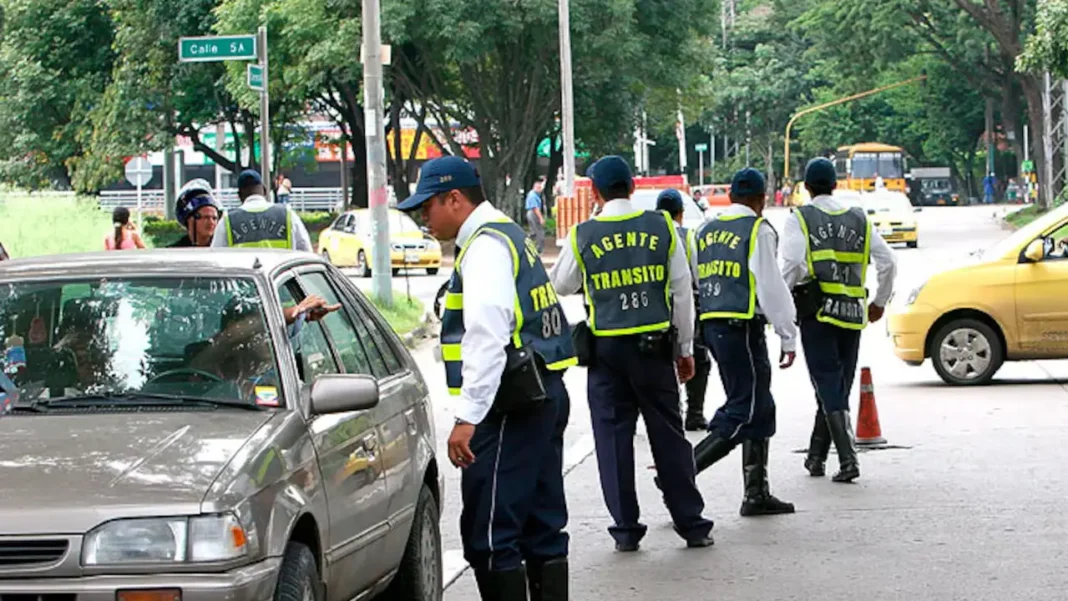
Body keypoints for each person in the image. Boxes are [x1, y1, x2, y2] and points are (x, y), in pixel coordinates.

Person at [397, 156, 576, 600]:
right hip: (542, 393)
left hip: (510, 404)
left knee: (491, 535)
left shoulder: (485, 247)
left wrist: (468, 417)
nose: (424, 218)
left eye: (427, 206)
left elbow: (486, 335)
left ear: (454, 199)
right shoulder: (507, 233)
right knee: (542, 525)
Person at [550, 155, 714, 552]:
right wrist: (685, 348)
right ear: (633, 187)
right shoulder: (662, 227)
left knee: (612, 441)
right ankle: (692, 525)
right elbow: (681, 292)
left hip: (606, 352)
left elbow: (562, 283)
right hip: (655, 350)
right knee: (669, 438)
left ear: (595, 192)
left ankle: (626, 530)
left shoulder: (583, 233)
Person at [678, 168, 798, 517]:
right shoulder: (758, 230)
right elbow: (770, 286)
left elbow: (695, 278)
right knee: (743, 409)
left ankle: (756, 493)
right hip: (742, 327)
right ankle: (679, 475)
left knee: (761, 406)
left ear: (730, 196)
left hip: (713, 324)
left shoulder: (704, 231)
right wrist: (788, 334)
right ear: (761, 199)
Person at [782, 158, 897, 483]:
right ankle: (816, 457)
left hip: (817, 314)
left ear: (807, 187)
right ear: (835, 184)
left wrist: (781, 303)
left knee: (827, 385)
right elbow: (888, 262)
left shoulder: (800, 218)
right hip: (851, 315)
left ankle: (848, 460)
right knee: (837, 387)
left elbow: (792, 264)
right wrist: (879, 302)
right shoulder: (858, 218)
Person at [655, 189, 708, 431]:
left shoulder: (651, 236)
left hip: (654, 308)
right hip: (684, 306)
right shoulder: (687, 237)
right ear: (681, 213)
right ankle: (694, 413)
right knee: (697, 358)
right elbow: (698, 276)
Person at [212, 169, 313, 250]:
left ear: (239, 195)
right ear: (264, 190)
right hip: (283, 270)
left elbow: (216, 258)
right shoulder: (287, 214)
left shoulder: (228, 220)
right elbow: (306, 250)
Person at [172, 179, 223, 248]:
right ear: (189, 220)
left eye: (214, 218)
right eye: (206, 217)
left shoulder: (223, 248)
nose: (211, 222)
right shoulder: (173, 251)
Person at [526, 176, 547, 254]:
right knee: (539, 232)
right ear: (535, 187)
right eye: (539, 187)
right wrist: (541, 218)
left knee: (533, 232)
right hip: (533, 213)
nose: (540, 189)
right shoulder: (533, 195)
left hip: (531, 213)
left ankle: (528, 245)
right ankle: (539, 249)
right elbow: (535, 208)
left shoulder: (533, 194)